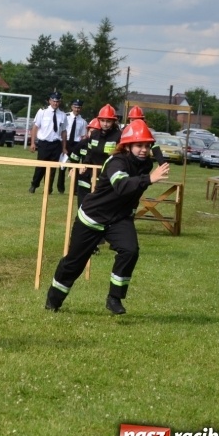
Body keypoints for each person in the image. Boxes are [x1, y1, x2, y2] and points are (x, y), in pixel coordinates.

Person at [44, 119, 170, 315]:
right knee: (74, 263)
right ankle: (53, 300)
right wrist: (149, 179)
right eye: (139, 145)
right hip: (92, 218)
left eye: (147, 145)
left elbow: (138, 185)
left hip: (119, 219)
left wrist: (155, 165)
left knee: (130, 251)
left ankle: (114, 298)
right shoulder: (115, 162)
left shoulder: (145, 165)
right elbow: (121, 186)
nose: (144, 150)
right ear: (127, 146)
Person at [74, 104, 123, 206]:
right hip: (91, 171)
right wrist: (85, 164)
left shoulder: (119, 136)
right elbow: (89, 152)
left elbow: (120, 156)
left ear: (113, 121)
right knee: (83, 189)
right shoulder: (95, 134)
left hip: (107, 174)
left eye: (108, 121)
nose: (105, 124)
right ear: (99, 120)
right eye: (103, 121)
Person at [29, 92, 67, 194]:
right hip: (44, 143)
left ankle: (48, 188)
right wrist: (32, 143)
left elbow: (63, 132)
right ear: (50, 101)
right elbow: (35, 127)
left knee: (53, 168)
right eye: (54, 101)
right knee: (41, 166)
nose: (55, 103)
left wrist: (64, 147)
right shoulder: (42, 112)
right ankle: (34, 184)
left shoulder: (63, 115)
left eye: (57, 101)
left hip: (56, 144)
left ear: (60, 102)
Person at [57, 99, 88, 194]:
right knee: (62, 166)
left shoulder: (82, 121)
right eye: (75, 107)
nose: (77, 109)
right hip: (66, 143)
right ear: (72, 107)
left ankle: (75, 190)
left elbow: (83, 135)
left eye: (79, 107)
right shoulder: (66, 117)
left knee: (75, 167)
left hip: (76, 144)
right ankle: (60, 187)